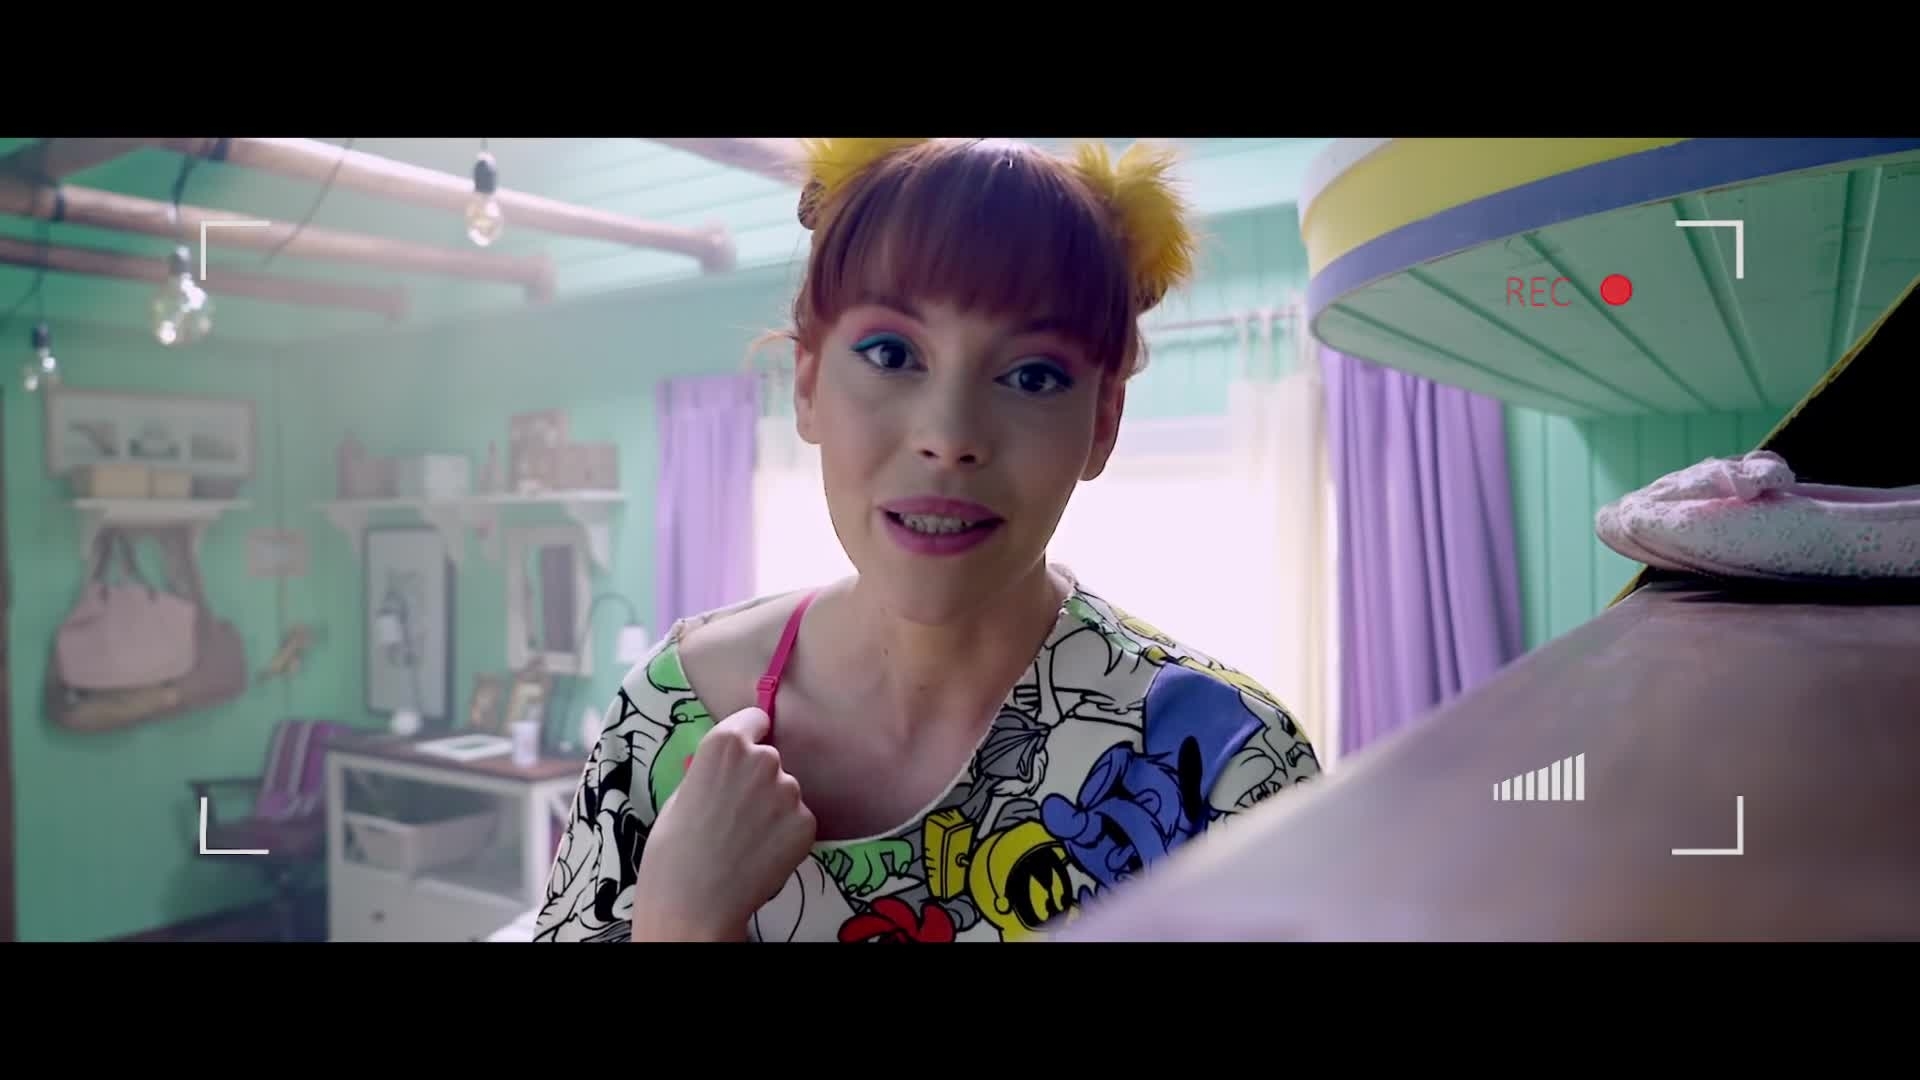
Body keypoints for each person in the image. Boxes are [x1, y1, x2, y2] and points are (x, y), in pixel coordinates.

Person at [531, 138, 1322, 944]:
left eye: (1033, 375)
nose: (949, 437)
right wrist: (680, 919)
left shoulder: (1227, 767)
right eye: (892, 353)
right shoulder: (665, 720)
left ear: (1103, 423)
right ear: (807, 386)